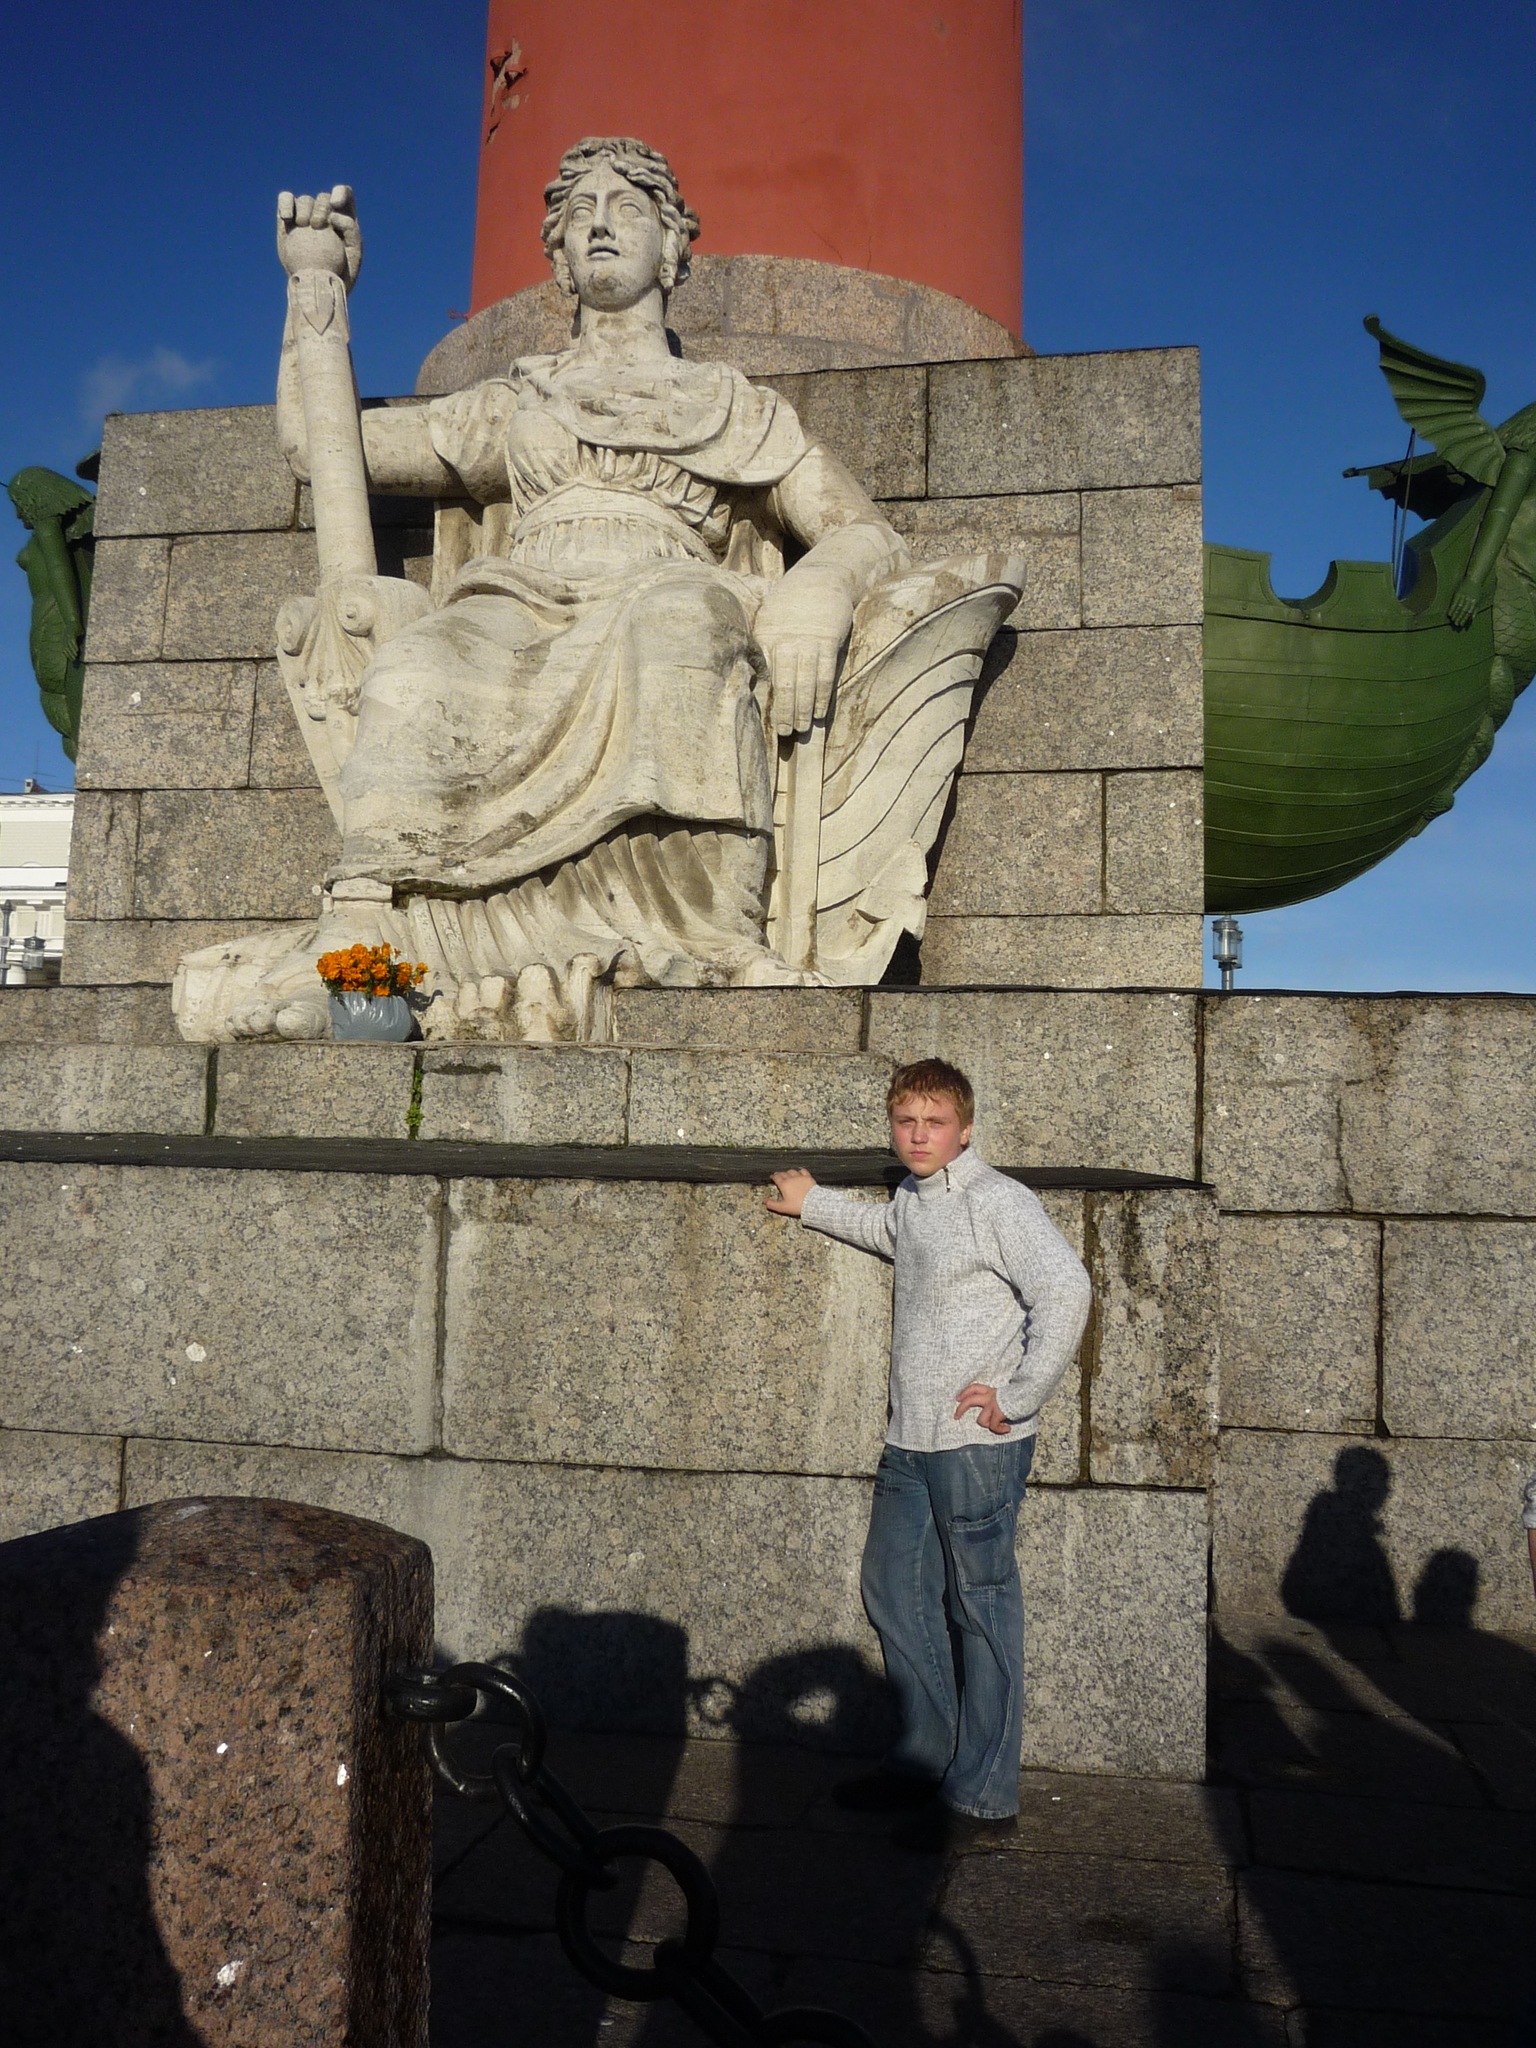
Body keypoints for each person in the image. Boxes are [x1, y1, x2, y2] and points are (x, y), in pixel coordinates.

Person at [221, 136, 909, 1041]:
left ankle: (712, 939)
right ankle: (367, 954)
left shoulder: (733, 405)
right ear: (559, 261)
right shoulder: (520, 399)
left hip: (664, 579)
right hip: (521, 598)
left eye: (628, 209)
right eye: (581, 213)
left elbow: (864, 530)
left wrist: (819, 592)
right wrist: (316, 295)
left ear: (672, 247)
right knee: (418, 668)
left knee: (680, 629)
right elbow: (323, 450)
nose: (600, 225)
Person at [766, 1057, 1092, 1850]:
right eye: (906, 1121)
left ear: (965, 1129)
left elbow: (1067, 1288)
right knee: (892, 1586)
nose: (918, 1135)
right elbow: (888, 1233)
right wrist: (814, 1204)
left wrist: (1017, 1395)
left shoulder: (997, 1200)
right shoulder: (915, 1199)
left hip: (977, 1447)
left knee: (981, 1607)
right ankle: (923, 1758)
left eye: (935, 1123)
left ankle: (984, 1793)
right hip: (909, 1440)